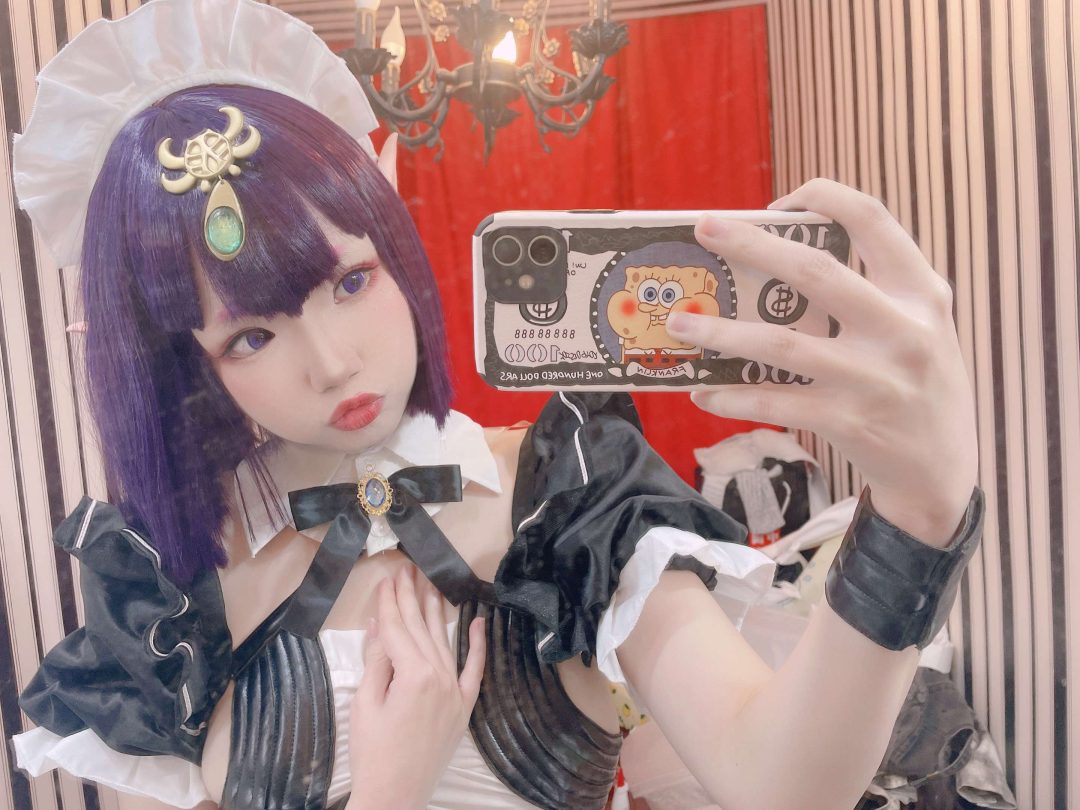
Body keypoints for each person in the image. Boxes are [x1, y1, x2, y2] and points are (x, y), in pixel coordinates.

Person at [10, 0, 984, 808]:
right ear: (191, 365)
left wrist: (918, 516)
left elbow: (785, 784)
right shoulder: (171, 582)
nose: (334, 363)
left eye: (349, 281)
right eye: (251, 336)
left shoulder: (572, 499)